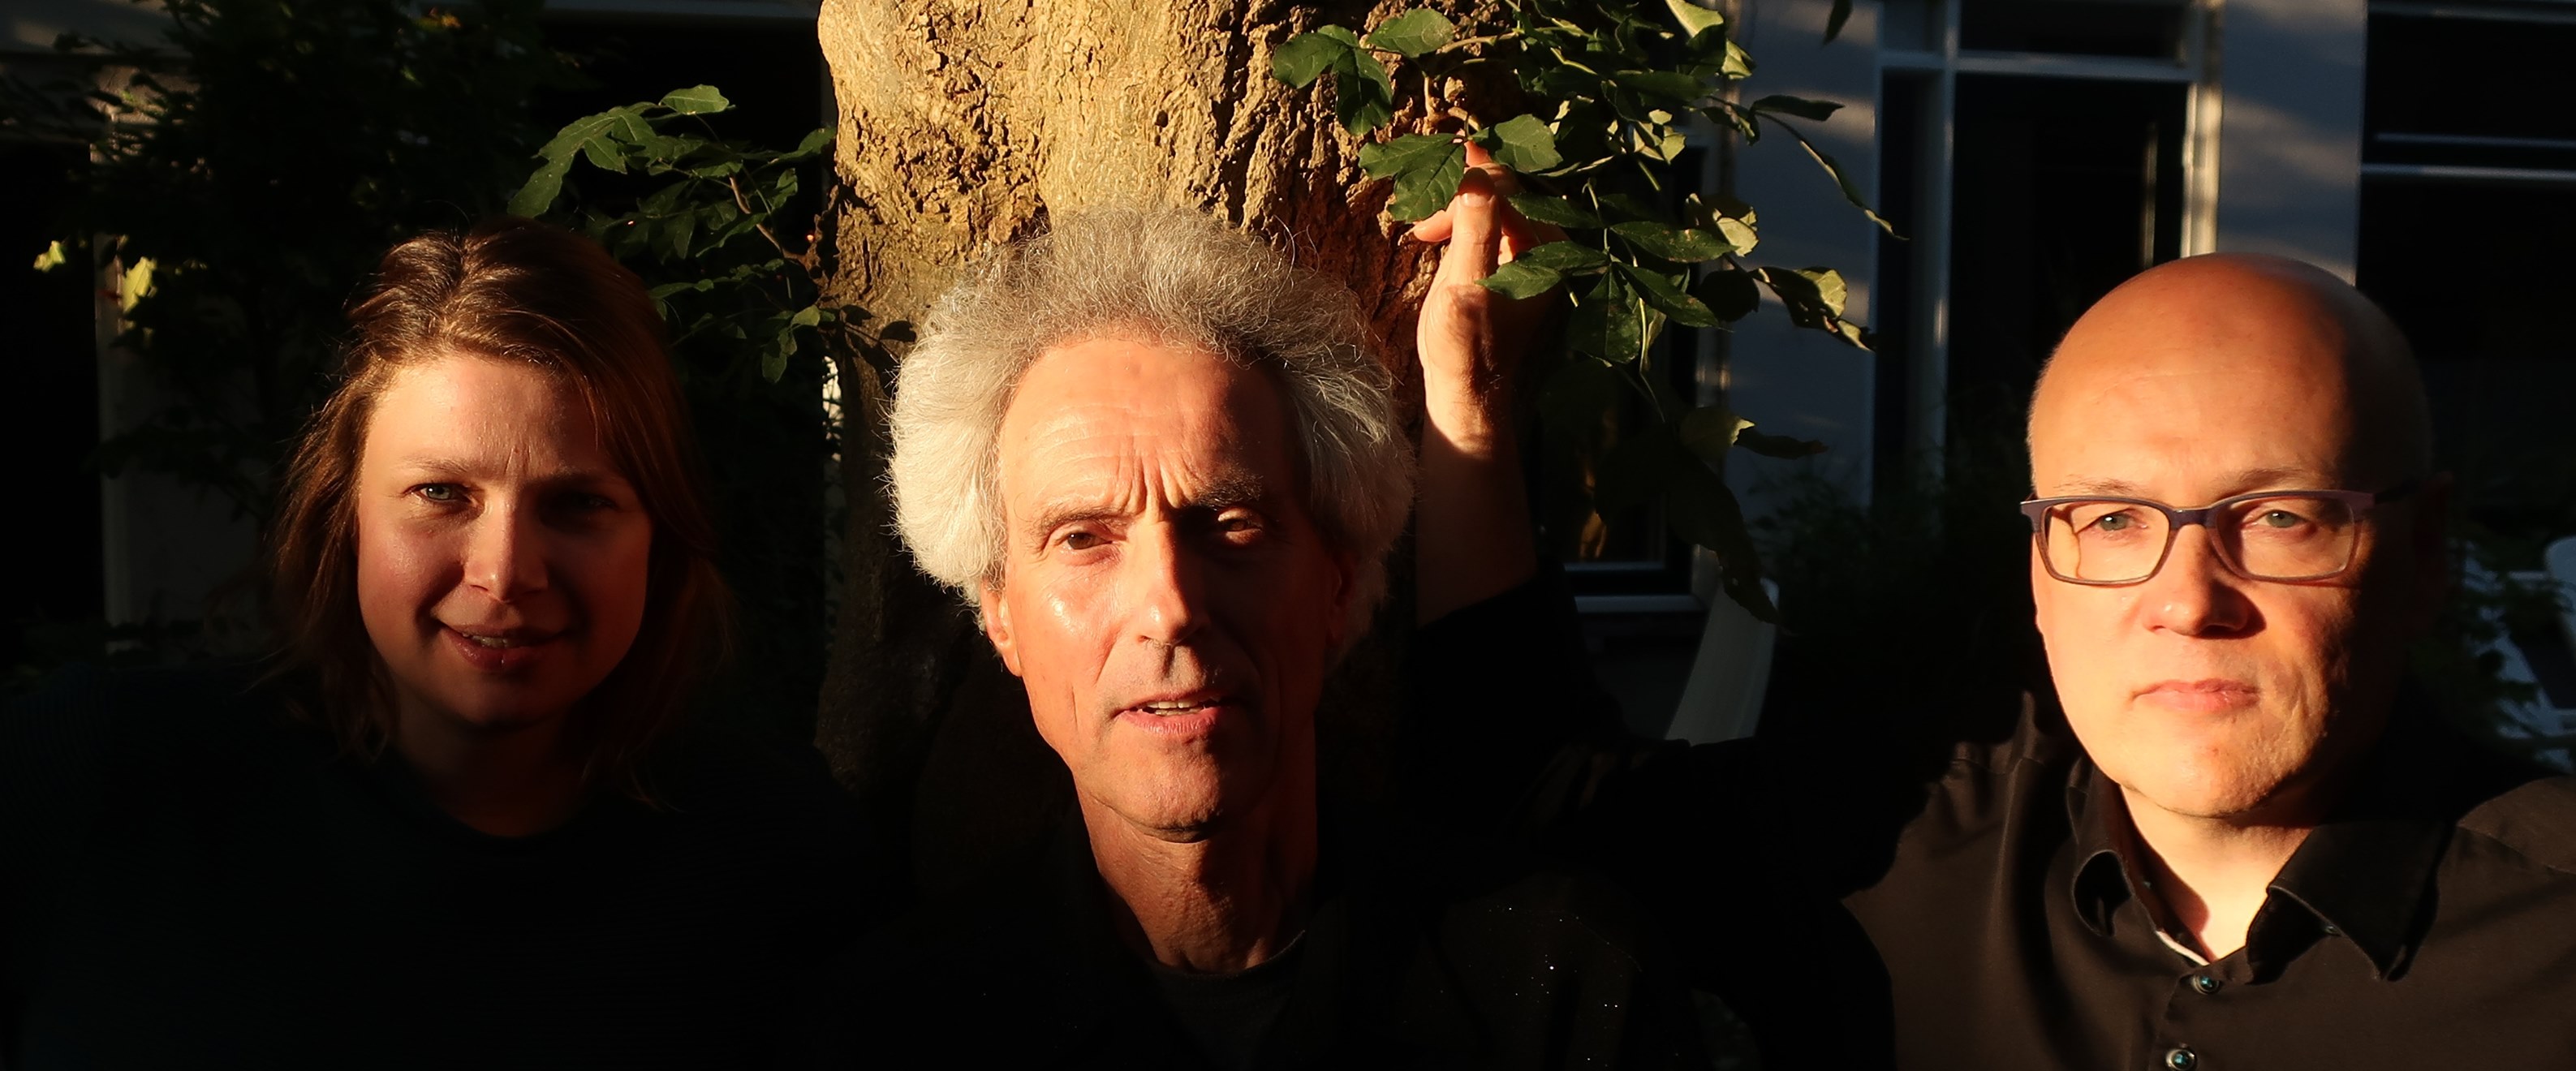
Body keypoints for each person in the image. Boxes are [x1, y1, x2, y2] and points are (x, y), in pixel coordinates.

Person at [1406, 226, 2576, 1068]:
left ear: (2424, 554)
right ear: (2038, 573)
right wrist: (1475, 408)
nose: (2186, 600)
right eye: (2111, 521)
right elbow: (1530, 791)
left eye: (2276, 516)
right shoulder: (1897, 848)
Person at [818, 204, 1705, 1069]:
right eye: (1083, 538)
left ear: (1337, 583)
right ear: (1001, 616)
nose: (1170, 606)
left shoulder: (1563, 989)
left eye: (1232, 524)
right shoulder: (889, 1034)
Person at [1, 217, 874, 1069]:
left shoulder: (778, 855)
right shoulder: (95, 777)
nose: (506, 572)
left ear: (660, 536)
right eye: (441, 494)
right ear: (344, 515)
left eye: (578, 503)